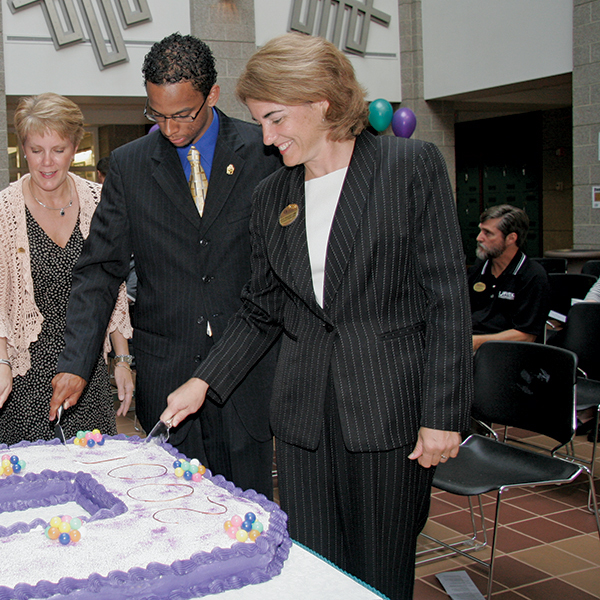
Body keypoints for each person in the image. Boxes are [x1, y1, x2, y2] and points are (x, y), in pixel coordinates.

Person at [160, 33, 473, 600]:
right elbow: (263, 307)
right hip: (304, 419)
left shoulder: (409, 167)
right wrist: (204, 381)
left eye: (276, 119)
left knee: (380, 577)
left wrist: (443, 413)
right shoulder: (271, 196)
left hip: (387, 415)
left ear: (322, 101)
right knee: (318, 577)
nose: (268, 137)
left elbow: (446, 300)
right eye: (260, 123)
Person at [51, 33, 282, 496]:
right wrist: (76, 361)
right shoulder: (131, 166)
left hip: (245, 377)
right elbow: (99, 269)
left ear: (212, 96)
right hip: (168, 376)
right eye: (157, 114)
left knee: (248, 514)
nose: (170, 129)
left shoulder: (265, 153)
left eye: (182, 115)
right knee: (173, 516)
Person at [0, 93, 133, 446]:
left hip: (84, 374)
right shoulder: (0, 212)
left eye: (58, 149)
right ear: (23, 148)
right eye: (35, 149)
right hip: (20, 375)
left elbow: (114, 289)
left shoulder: (99, 201)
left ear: (75, 147)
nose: (47, 162)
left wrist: (121, 358)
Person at [469, 204, 549, 352]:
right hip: (470, 346)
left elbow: (526, 335)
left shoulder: (532, 276)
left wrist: (475, 342)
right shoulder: (478, 269)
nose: (479, 238)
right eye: (481, 230)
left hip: (506, 354)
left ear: (511, 238)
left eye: (488, 233)